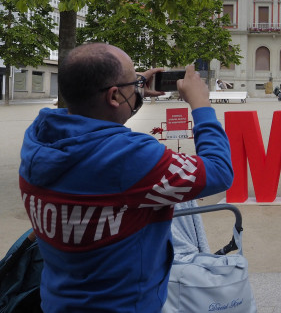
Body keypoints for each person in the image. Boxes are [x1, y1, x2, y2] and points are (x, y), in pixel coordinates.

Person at [18, 43, 233, 313]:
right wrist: (201, 104)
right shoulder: (133, 160)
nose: (138, 85)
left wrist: (133, 91)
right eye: (133, 82)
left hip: (57, 302)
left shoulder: (39, 138)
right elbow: (219, 171)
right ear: (114, 96)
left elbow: (96, 128)